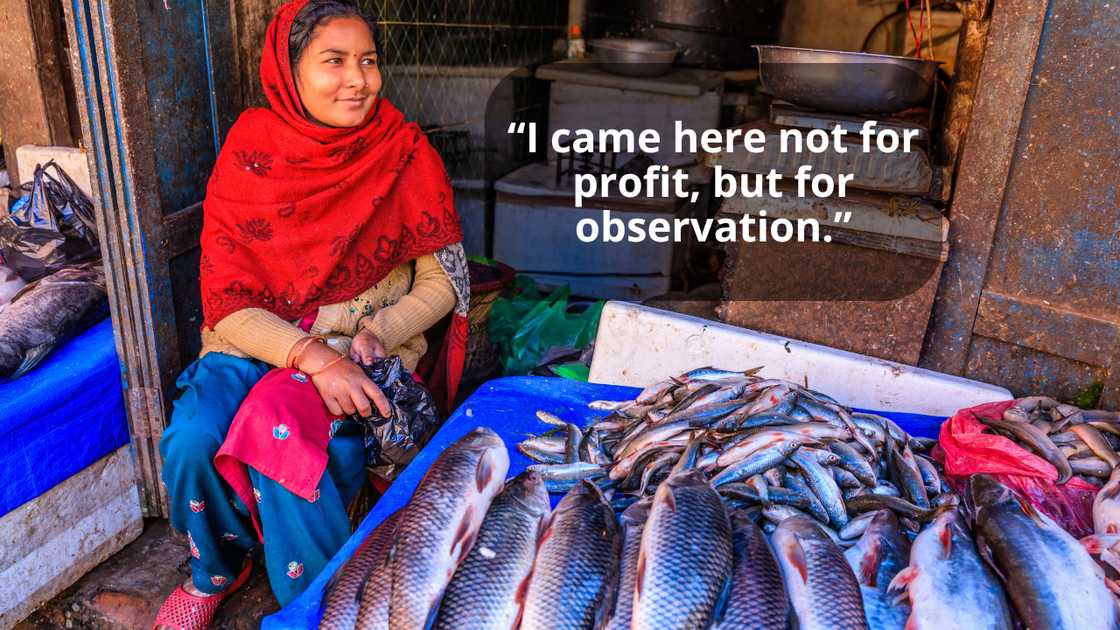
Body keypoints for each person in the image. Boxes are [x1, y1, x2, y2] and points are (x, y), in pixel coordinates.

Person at [152, 1, 469, 627]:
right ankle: (215, 570)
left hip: (359, 350)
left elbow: (443, 283)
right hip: (257, 345)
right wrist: (309, 356)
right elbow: (227, 301)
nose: (359, 79)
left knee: (282, 438)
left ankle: (322, 606)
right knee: (192, 438)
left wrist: (379, 331)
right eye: (334, 62)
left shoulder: (404, 152)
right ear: (290, 72)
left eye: (368, 61)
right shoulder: (252, 152)